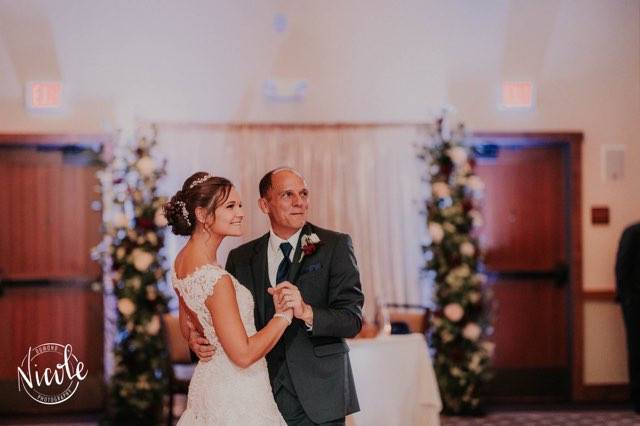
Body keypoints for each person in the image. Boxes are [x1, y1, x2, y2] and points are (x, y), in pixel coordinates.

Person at [189, 167, 364, 425]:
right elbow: (225, 319)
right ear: (264, 204)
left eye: (303, 193)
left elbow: (352, 320)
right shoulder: (241, 257)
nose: (299, 202)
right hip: (259, 393)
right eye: (287, 195)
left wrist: (306, 312)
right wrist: (197, 340)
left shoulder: (335, 246)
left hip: (320, 395)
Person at [164, 172, 292, 425]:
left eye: (240, 205)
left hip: (210, 385)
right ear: (202, 215)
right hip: (237, 392)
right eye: (230, 206)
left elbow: (187, 327)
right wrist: (283, 316)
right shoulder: (217, 280)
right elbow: (242, 355)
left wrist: (195, 339)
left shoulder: (181, 261)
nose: (241, 213)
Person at [615, 222, 640, 414]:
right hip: (635, 305)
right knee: (637, 351)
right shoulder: (633, 233)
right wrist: (629, 301)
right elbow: (622, 269)